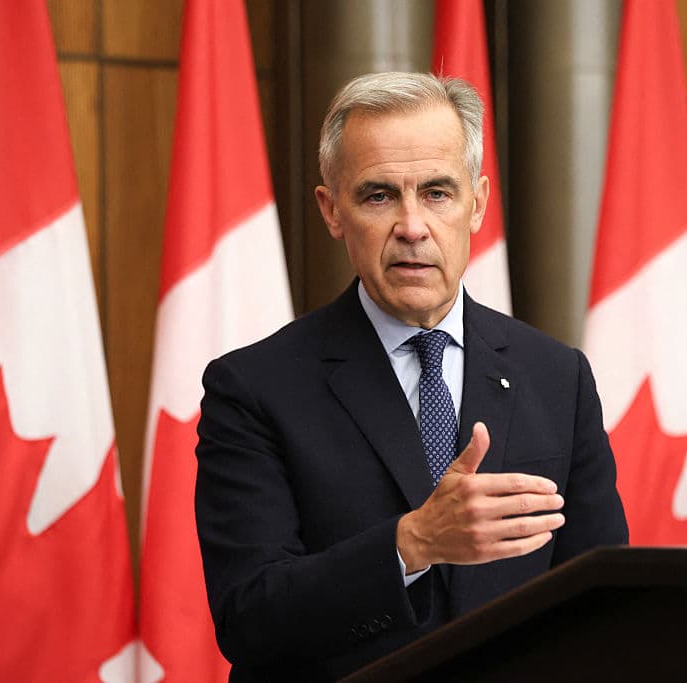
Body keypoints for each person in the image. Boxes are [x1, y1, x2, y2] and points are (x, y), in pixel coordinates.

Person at [195, 71, 628, 682]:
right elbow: (248, 615)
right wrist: (410, 544)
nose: (412, 226)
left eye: (437, 192)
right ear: (332, 210)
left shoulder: (557, 376)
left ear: (476, 203)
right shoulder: (254, 388)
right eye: (378, 196)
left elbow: (605, 600)